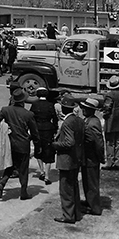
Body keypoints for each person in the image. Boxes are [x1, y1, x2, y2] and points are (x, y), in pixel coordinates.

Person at [0, 88, 39, 200]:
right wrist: (36, 143)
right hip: (23, 144)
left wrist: (5, 127)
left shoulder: (6, 110)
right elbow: (35, 133)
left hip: (10, 143)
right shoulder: (28, 114)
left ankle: (2, 183)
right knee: (23, 169)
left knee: (10, 165)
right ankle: (23, 192)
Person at [52, 95, 85, 224]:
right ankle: (76, 213)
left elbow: (69, 142)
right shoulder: (79, 120)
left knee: (65, 189)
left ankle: (68, 215)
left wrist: (56, 145)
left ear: (63, 108)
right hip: (76, 158)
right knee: (74, 187)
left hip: (66, 159)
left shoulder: (67, 123)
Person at [79, 97, 104, 216]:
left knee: (91, 182)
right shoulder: (89, 120)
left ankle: (95, 208)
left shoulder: (93, 123)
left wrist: (100, 157)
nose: (83, 109)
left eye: (85, 108)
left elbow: (98, 143)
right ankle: (90, 202)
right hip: (87, 157)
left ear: (91, 110)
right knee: (87, 181)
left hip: (91, 157)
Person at [31, 87, 58, 185]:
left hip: (37, 129)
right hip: (48, 129)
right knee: (48, 150)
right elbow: (54, 118)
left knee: (38, 149)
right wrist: (55, 129)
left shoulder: (34, 105)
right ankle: (47, 175)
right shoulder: (50, 105)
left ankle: (41, 171)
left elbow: (31, 118)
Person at [102, 75, 119, 169]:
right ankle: (117, 161)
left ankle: (109, 162)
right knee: (118, 142)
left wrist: (104, 115)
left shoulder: (109, 95)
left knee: (110, 142)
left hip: (111, 122)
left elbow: (107, 108)